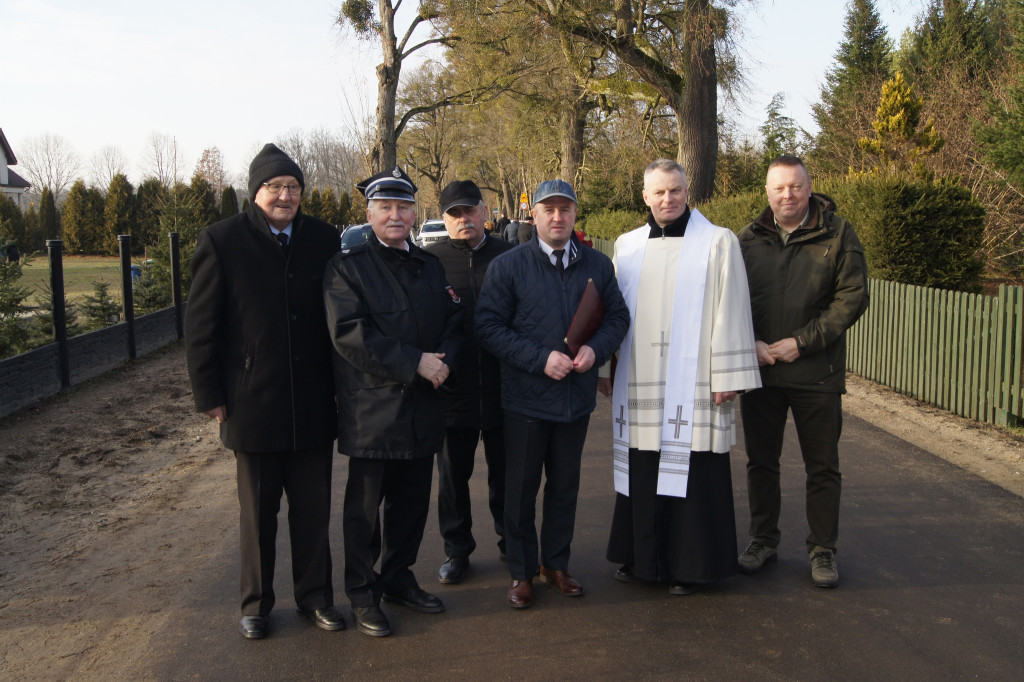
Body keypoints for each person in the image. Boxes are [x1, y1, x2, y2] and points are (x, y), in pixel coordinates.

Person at [184, 143, 343, 640]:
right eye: (275, 187)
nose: (285, 196)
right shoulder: (222, 241)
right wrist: (209, 393)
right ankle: (255, 604)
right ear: (256, 192)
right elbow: (201, 326)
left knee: (314, 511)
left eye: (293, 187)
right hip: (253, 403)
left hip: (315, 403)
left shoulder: (324, 239)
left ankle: (315, 598)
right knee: (257, 516)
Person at [600, 159, 761, 596]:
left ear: (688, 191)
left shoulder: (716, 242)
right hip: (639, 377)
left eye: (675, 190)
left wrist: (729, 373)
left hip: (696, 382)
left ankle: (692, 566)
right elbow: (612, 313)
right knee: (643, 464)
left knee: (694, 469)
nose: (667, 199)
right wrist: (606, 365)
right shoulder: (628, 246)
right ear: (645, 195)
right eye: (659, 192)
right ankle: (643, 559)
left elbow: (733, 307)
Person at [476, 179, 629, 609]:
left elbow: (618, 317)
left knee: (565, 487)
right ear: (535, 216)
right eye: (549, 210)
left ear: (576, 215)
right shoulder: (509, 266)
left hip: (574, 401)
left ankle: (556, 565)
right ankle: (522, 573)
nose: (557, 217)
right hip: (525, 399)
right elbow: (488, 327)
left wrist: (596, 351)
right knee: (520, 489)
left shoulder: (598, 265)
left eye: (565, 209)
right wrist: (540, 359)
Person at [323, 166, 464, 637]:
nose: (396, 215)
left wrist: (443, 362)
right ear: (370, 213)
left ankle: (399, 578)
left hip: (423, 407)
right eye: (386, 207)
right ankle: (363, 594)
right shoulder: (348, 265)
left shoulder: (429, 265)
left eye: (404, 206)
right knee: (364, 513)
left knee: (410, 507)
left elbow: (454, 321)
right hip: (373, 412)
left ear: (414, 211)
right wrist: (415, 362)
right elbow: (351, 336)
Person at [737, 155, 869, 588]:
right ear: (767, 193)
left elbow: (851, 298)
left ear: (810, 188)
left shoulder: (839, 233)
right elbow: (729, 301)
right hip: (763, 372)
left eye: (795, 186)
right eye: (779, 188)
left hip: (817, 373)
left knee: (823, 467)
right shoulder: (747, 239)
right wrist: (748, 342)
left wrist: (803, 342)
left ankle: (823, 550)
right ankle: (763, 540)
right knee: (761, 463)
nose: (787, 195)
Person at [425, 179, 513, 585]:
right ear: (444, 219)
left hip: (503, 388)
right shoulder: (430, 262)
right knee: (452, 480)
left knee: (507, 477)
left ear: (485, 211)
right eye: (454, 213)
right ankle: (456, 551)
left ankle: (512, 545)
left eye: (470, 210)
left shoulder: (511, 256)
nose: (464, 219)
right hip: (452, 391)